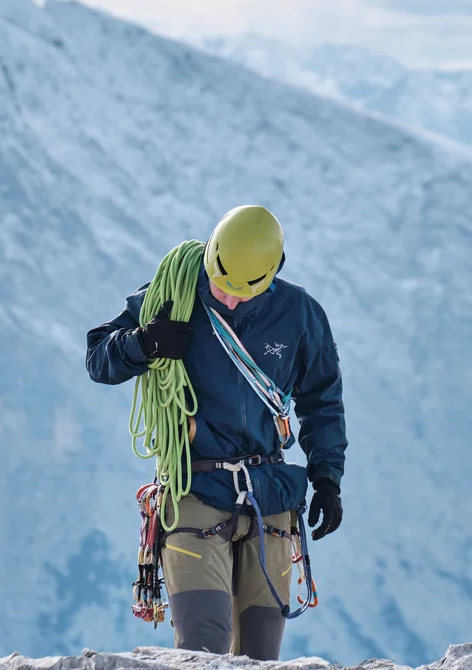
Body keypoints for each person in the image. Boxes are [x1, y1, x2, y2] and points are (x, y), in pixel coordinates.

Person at [85, 204, 348, 661]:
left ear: (271, 275)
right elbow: (98, 359)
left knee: (261, 655)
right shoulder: (171, 296)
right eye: (221, 284)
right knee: (202, 648)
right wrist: (143, 343)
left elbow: (322, 401)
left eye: (241, 293)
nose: (227, 299)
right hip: (194, 491)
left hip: (269, 498)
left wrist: (327, 478)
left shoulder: (299, 314)